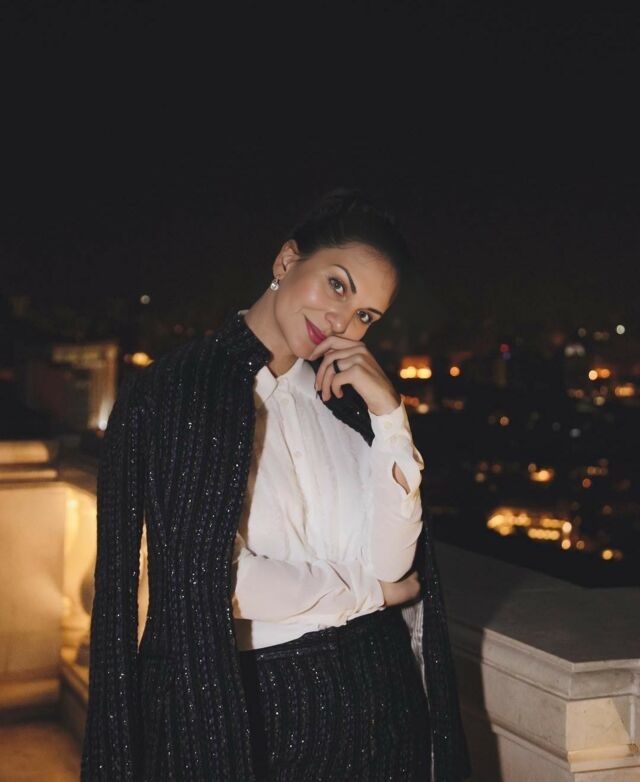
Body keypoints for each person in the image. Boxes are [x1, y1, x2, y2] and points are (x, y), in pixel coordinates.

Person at [80, 189, 471, 781]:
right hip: (252, 721)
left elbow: (395, 565)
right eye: (337, 285)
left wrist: (391, 417)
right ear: (287, 261)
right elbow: (211, 582)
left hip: (387, 718)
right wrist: (368, 594)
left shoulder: (349, 408)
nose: (342, 322)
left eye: (366, 315)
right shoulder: (180, 391)